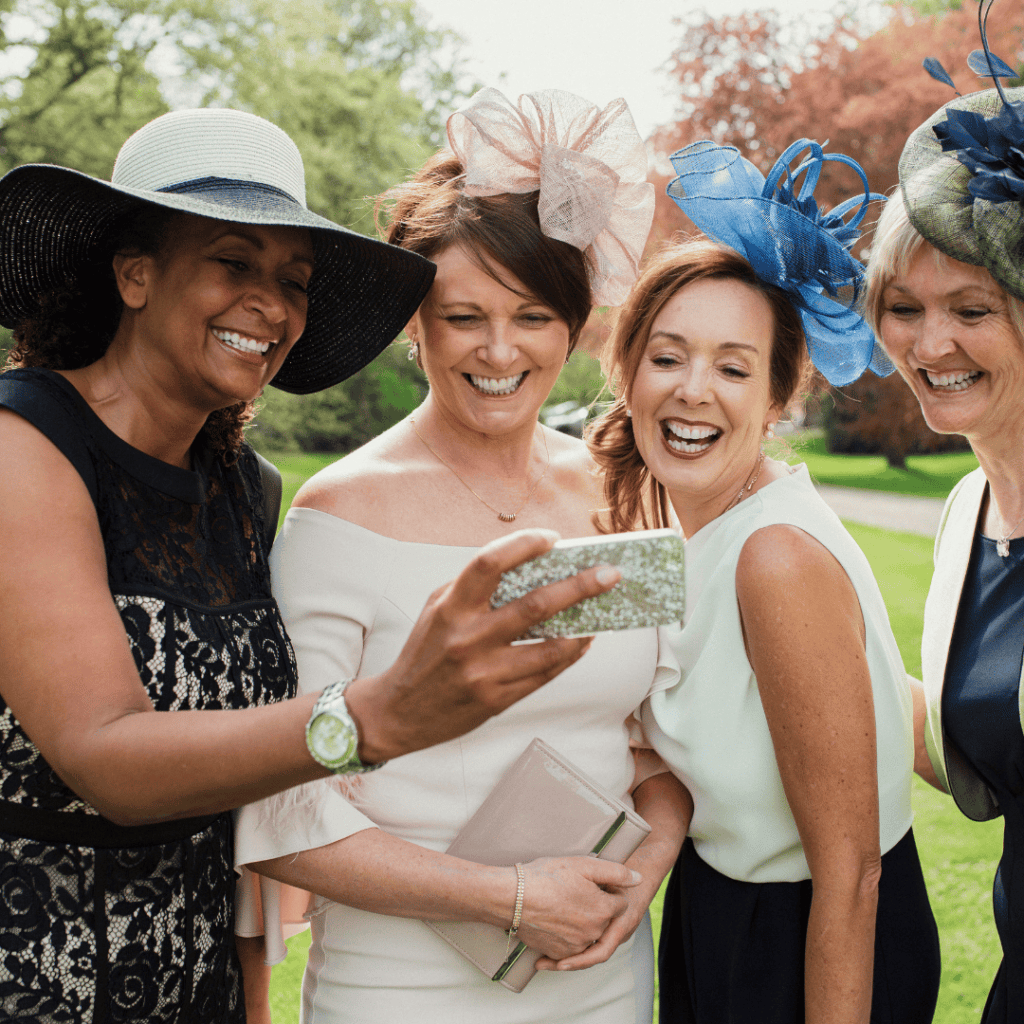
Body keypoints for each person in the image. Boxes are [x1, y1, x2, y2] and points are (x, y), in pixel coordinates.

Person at [0, 107, 627, 1023]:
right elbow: (106, 755)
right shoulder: (26, 446)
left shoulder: (244, 489)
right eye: (232, 261)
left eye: (292, 279)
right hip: (41, 964)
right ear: (134, 273)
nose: (272, 303)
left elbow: (234, 800)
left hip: (199, 972)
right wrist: (373, 716)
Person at [234, 87, 691, 1024]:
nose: (499, 350)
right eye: (462, 317)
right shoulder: (337, 518)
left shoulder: (619, 495)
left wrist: (644, 871)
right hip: (398, 986)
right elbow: (279, 820)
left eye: (530, 316)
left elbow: (657, 746)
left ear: (572, 325)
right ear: (415, 326)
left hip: (598, 974)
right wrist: (512, 902)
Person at [588, 140, 941, 1023]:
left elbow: (853, 872)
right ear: (627, 372)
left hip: (815, 941)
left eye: (734, 367)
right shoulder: (678, 529)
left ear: (780, 395)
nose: (693, 391)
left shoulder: (773, 555)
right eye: (667, 357)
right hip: (715, 905)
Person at [861, 10, 1024, 1016]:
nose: (929, 342)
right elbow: (980, 759)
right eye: (901, 305)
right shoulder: (969, 509)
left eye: (970, 308)